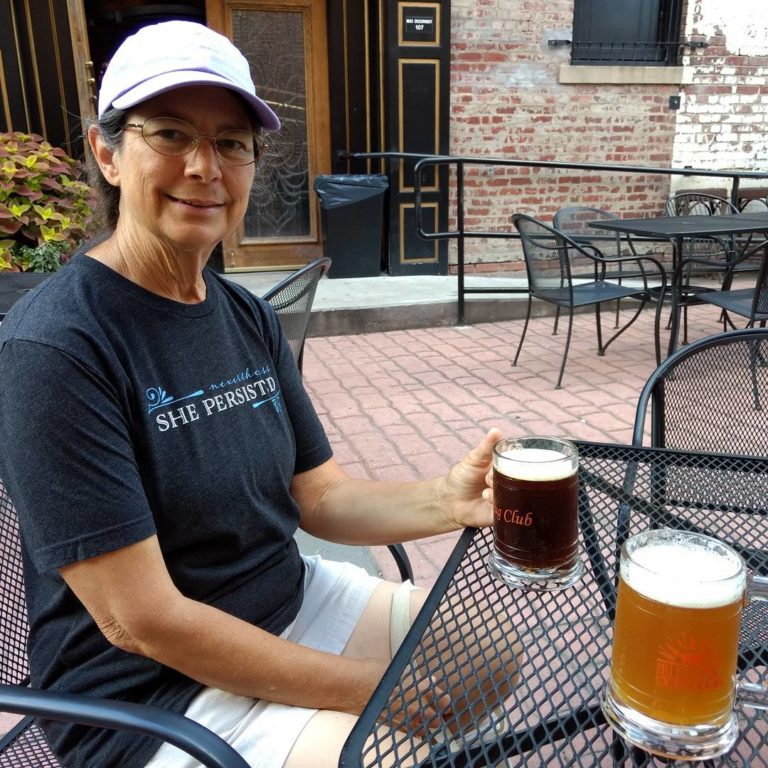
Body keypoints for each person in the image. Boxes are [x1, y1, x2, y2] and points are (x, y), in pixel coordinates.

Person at [0, 20, 515, 768]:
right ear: (107, 154)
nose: (204, 166)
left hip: (284, 601)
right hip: (147, 694)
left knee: (488, 655)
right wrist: (368, 692)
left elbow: (320, 498)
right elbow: (141, 622)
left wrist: (446, 500)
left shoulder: (243, 313)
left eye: (232, 142)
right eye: (170, 133)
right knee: (388, 753)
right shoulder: (57, 347)